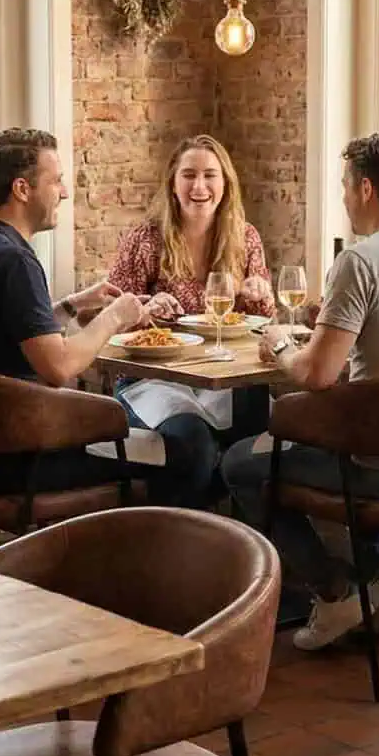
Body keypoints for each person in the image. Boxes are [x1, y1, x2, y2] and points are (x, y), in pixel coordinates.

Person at [221, 133, 379, 649]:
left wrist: (278, 346)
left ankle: (333, 591)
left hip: (377, 473)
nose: (343, 199)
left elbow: (316, 375)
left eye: (344, 186)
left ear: (365, 188)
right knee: (359, 429)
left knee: (239, 463)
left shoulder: (360, 261)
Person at [0, 127, 151, 495]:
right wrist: (117, 315)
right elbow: (59, 367)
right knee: (184, 453)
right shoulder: (14, 259)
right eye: (56, 181)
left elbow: (4, 333)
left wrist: (70, 306)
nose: (63, 191)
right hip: (19, 462)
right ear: (21, 189)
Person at [103, 135, 274, 508]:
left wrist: (260, 297)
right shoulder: (145, 239)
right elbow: (110, 320)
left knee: (260, 424)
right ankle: (181, 545)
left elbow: (264, 329)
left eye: (210, 175)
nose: (199, 187)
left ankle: (236, 544)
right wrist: (145, 309)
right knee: (193, 443)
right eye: (189, 175)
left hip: (222, 379)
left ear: (225, 184)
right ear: (172, 182)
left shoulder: (245, 238)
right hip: (153, 382)